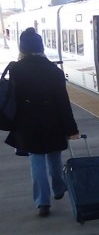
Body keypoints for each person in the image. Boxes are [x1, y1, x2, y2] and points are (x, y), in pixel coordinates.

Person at [4, 27, 80, 217]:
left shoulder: (16, 69)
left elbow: (15, 98)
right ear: (41, 47)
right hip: (52, 120)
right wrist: (72, 128)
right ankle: (59, 187)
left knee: (36, 160)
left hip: (28, 122)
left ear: (22, 48)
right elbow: (63, 101)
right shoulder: (53, 70)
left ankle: (42, 203)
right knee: (54, 157)